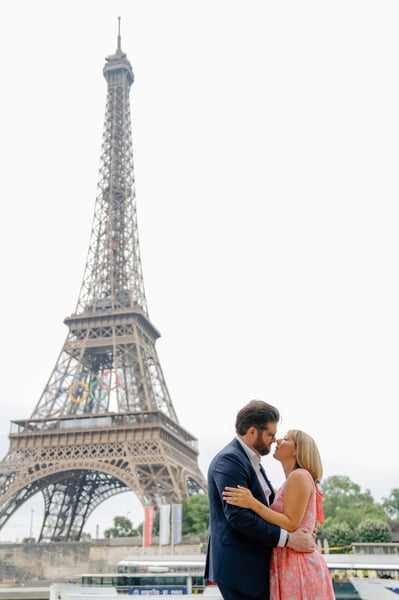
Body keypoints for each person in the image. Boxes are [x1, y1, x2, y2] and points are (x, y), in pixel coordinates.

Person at [205, 400, 315, 600]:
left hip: (253, 565)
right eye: (270, 434)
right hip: (240, 567)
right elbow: (239, 517)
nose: (274, 440)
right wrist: (289, 539)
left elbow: (271, 513)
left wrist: (300, 528)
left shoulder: (251, 462)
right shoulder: (229, 460)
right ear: (253, 432)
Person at [223, 429, 335, 599]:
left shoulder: (298, 476)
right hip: (293, 560)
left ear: (298, 449)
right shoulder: (296, 478)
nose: (278, 441)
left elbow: (290, 523)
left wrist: (252, 503)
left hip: (297, 563)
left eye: (286, 439)